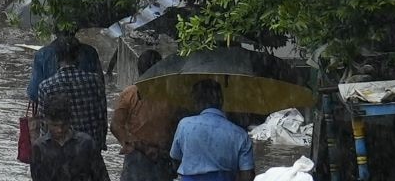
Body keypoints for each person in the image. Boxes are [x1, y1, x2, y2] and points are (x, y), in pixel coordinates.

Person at [170, 80, 255, 181]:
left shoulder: (185, 125)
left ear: (196, 102)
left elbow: (175, 157)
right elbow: (247, 175)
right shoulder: (240, 135)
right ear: (221, 101)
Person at [111, 50, 176, 181]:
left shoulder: (129, 94)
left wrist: (129, 143)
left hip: (142, 155)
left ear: (139, 70)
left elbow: (116, 126)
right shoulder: (171, 95)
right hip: (156, 156)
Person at [37, 35, 108, 149]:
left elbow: (44, 125)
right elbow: (102, 116)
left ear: (57, 58)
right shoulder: (95, 81)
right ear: (78, 56)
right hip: (90, 147)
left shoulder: (46, 87)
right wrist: (101, 143)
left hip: (61, 149)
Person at [30, 94, 110, 181]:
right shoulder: (39, 148)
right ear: (46, 121)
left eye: (63, 125)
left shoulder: (86, 144)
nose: (59, 130)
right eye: (55, 125)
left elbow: (102, 176)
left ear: (70, 120)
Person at [28, 31, 102, 103]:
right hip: (87, 112)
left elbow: (34, 94)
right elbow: (101, 90)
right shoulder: (90, 52)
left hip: (54, 111)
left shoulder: (42, 54)